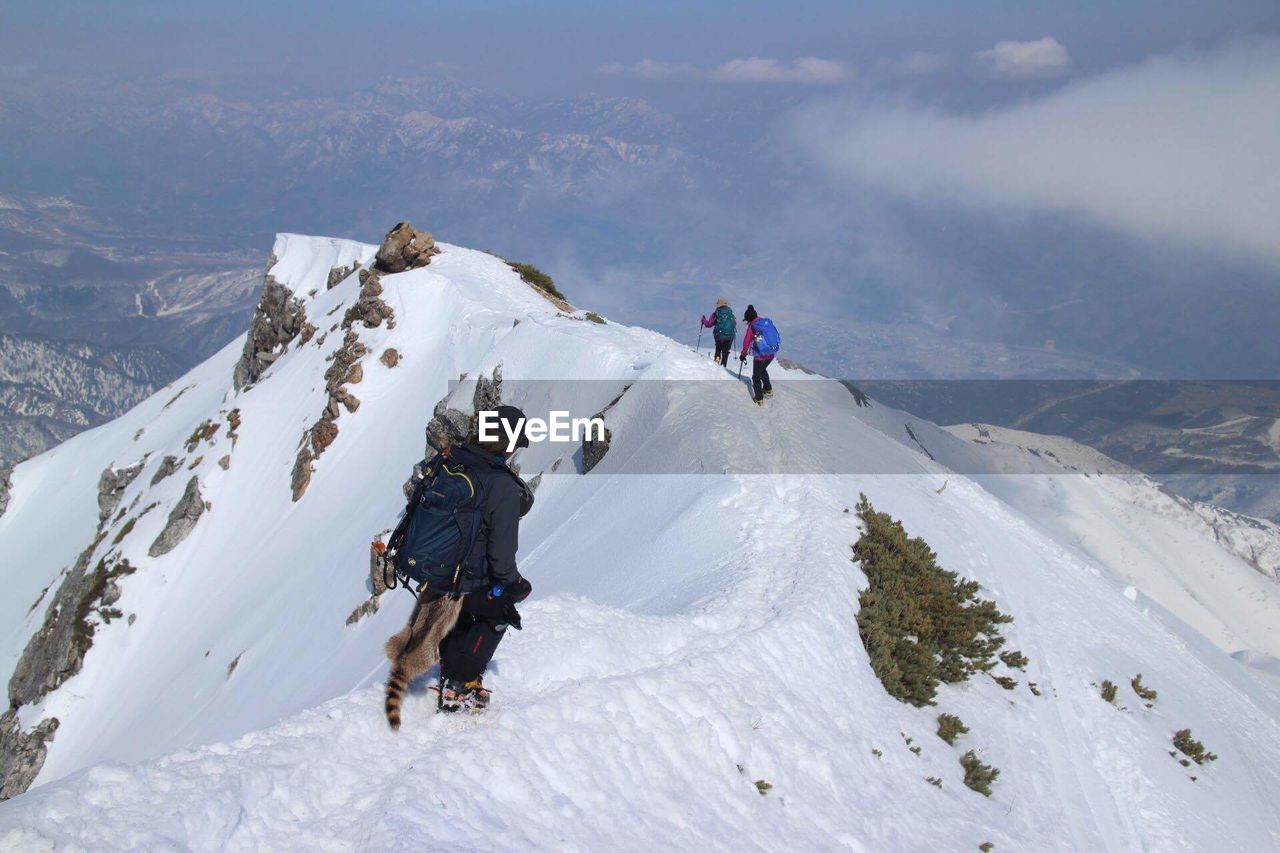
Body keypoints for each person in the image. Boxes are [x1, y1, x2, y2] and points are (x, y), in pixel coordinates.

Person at [383, 405, 534, 722]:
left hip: (438, 568)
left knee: (471, 606)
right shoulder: (501, 484)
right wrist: (513, 584)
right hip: (462, 574)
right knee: (499, 608)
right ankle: (459, 686)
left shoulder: (453, 459)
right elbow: (502, 554)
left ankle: (451, 670)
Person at [739, 304, 775, 405]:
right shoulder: (765, 323)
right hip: (771, 353)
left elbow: (746, 342)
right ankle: (768, 390)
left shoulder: (752, 327)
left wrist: (743, 354)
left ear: (749, 319)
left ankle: (759, 398)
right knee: (762, 370)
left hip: (760, 355)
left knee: (756, 377)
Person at [701, 298, 736, 367]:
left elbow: (709, 324)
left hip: (719, 336)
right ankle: (724, 366)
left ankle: (717, 360)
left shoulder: (716, 313)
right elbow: (734, 323)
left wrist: (703, 320)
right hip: (730, 336)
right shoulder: (730, 313)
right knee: (725, 352)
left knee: (718, 348)